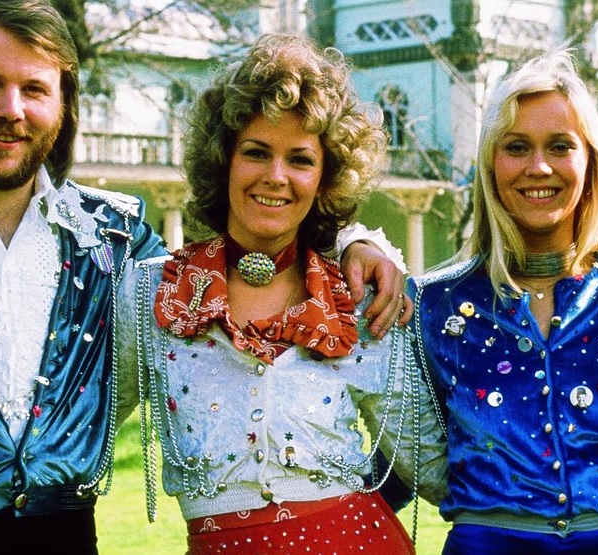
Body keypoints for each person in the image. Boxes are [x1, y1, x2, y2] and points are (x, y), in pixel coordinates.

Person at [0, 1, 407, 552]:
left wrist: (353, 240)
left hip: (62, 539)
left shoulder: (112, 238)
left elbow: (238, 256)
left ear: (63, 106)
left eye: (34, 89)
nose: (11, 109)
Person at [115, 33, 418, 555]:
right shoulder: (150, 294)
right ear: (224, 161)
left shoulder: (358, 297)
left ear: (324, 178)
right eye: (256, 152)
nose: (276, 177)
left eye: (300, 159)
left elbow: (428, 463)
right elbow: (75, 433)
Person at [399, 49, 598, 555]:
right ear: (489, 163)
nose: (538, 167)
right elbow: (403, 455)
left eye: (560, 146)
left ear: (590, 161)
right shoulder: (434, 305)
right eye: (516, 147)